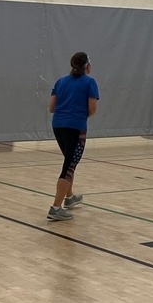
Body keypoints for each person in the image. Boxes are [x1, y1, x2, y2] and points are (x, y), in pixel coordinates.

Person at [46, 51, 99, 221]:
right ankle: (55, 207)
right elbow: (92, 110)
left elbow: (51, 107)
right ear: (87, 66)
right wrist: (77, 114)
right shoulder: (90, 82)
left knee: (70, 161)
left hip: (58, 126)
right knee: (69, 166)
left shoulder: (60, 81)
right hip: (75, 127)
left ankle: (69, 198)